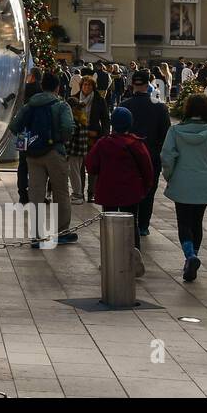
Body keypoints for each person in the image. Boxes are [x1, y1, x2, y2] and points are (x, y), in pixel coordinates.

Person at [161, 93, 207, 282]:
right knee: (197, 221)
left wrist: (169, 175)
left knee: (184, 221)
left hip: (182, 180)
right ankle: (194, 255)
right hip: (204, 181)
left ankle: (189, 255)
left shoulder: (175, 131)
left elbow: (167, 156)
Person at [11, 71, 76, 244]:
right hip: (54, 152)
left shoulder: (30, 105)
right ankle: (62, 233)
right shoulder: (61, 105)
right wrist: (61, 139)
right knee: (61, 192)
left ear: (41, 86)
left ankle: (36, 235)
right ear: (58, 87)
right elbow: (68, 127)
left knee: (36, 194)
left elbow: (14, 126)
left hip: (32, 155)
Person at [87, 106, 153, 274]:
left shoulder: (104, 143)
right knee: (132, 224)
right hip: (130, 192)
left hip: (108, 191)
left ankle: (109, 259)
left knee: (109, 226)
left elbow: (91, 165)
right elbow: (147, 168)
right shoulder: (136, 143)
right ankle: (134, 257)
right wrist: (145, 187)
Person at [120, 69, 170, 237]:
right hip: (151, 155)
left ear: (133, 84)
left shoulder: (124, 105)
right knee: (148, 190)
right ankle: (143, 225)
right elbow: (166, 134)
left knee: (129, 189)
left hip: (128, 156)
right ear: (149, 83)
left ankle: (129, 221)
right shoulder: (159, 106)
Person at [68, 72, 107, 204]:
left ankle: (92, 193)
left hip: (93, 137)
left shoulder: (99, 100)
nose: (87, 87)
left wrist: (104, 136)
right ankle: (79, 192)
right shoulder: (73, 99)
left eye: (90, 85)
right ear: (81, 86)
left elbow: (105, 120)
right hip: (78, 138)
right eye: (85, 85)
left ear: (93, 87)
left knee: (92, 167)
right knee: (79, 166)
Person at [16, 67, 41, 204]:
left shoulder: (24, 89)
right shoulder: (42, 90)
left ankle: (22, 194)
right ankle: (37, 193)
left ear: (32, 76)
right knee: (37, 163)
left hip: (23, 131)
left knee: (22, 164)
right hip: (37, 132)